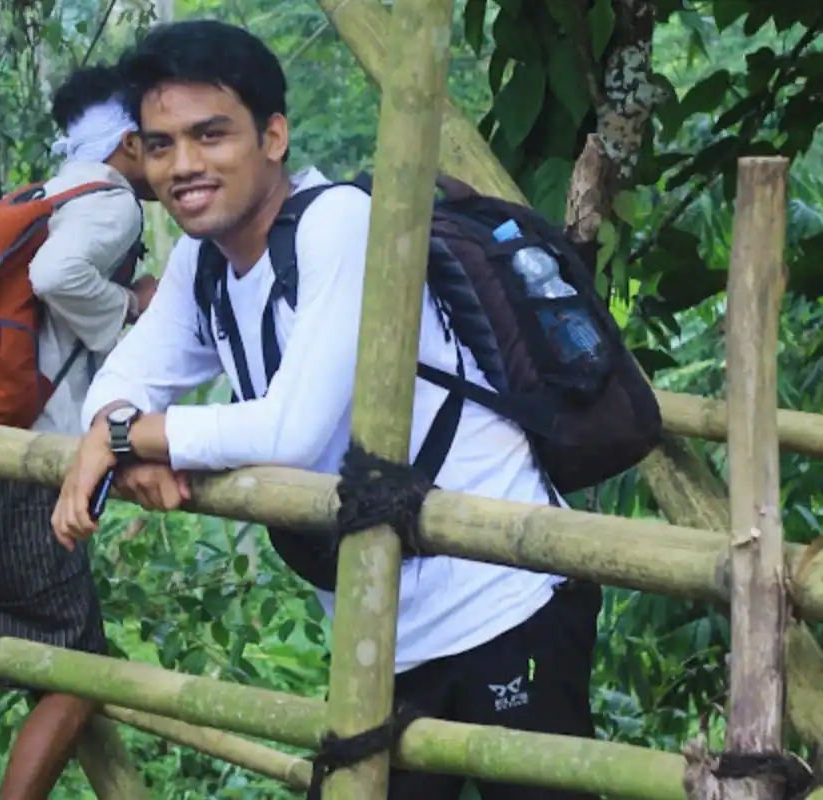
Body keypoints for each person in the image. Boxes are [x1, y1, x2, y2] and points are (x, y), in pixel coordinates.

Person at [51, 20, 601, 800]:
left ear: (273, 135)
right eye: (161, 144)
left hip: (501, 601)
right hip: (382, 632)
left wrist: (124, 436)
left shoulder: (337, 223)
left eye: (212, 135)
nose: (185, 166)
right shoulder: (202, 262)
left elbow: (291, 430)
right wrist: (122, 431)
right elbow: (125, 379)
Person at [0, 63, 159, 799]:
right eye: (158, 141)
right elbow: (55, 277)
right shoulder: (110, 204)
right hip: (25, 451)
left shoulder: (42, 194)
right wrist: (128, 310)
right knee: (79, 666)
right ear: (127, 144)